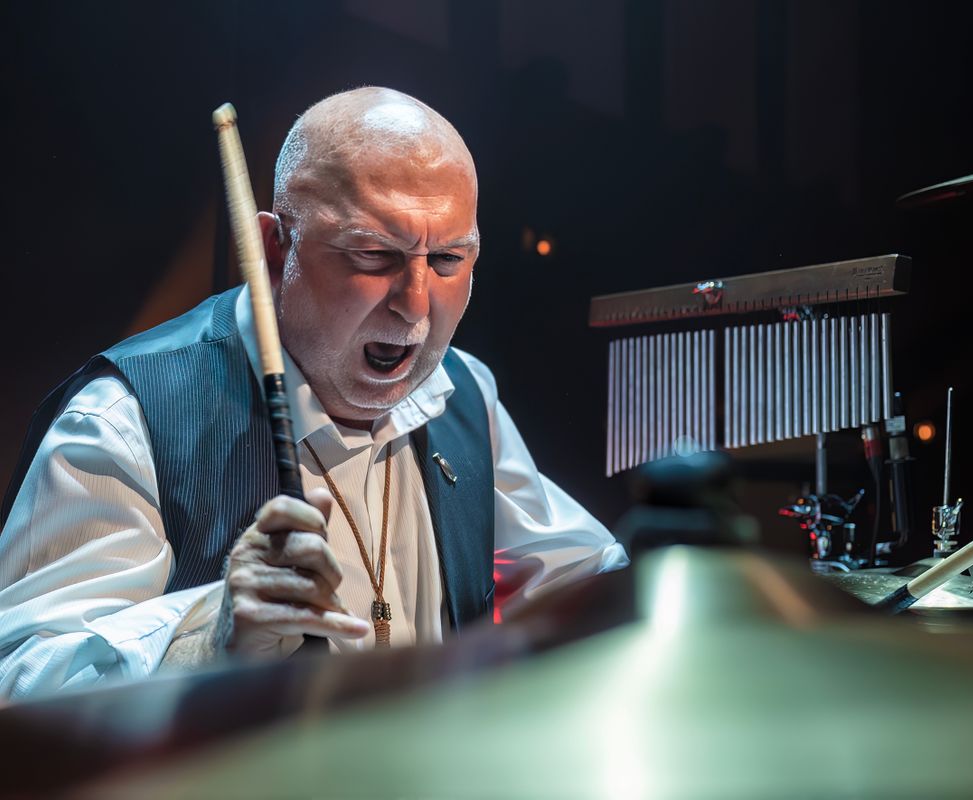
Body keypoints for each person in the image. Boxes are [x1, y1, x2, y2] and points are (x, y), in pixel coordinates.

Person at [0, 87, 626, 700]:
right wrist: (207, 638)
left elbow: (581, 576)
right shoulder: (124, 420)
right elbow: (21, 683)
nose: (415, 305)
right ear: (275, 250)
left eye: (446, 261)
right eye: (374, 254)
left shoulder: (461, 390)